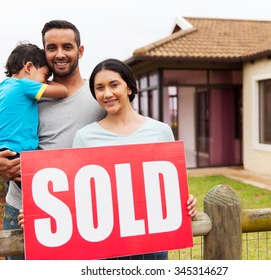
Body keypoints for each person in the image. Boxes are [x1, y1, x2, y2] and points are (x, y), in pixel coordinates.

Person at [0, 20, 106, 260]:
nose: (59, 54)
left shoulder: (98, 96)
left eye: (67, 46)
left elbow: (128, 138)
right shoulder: (22, 93)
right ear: (43, 52)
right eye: (51, 47)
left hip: (81, 212)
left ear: (80, 50)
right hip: (21, 209)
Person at [72, 58, 197, 260]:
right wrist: (39, 217)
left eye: (114, 85)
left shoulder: (161, 131)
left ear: (130, 88)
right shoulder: (84, 137)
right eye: (100, 88)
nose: (107, 93)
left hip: (153, 242)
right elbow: (76, 197)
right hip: (105, 244)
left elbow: (171, 188)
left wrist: (186, 201)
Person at [0, 42, 68, 189]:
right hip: (16, 154)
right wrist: (49, 83)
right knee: (39, 193)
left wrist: (4, 139)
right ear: (29, 67)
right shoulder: (25, 85)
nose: (44, 82)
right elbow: (63, 91)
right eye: (45, 76)